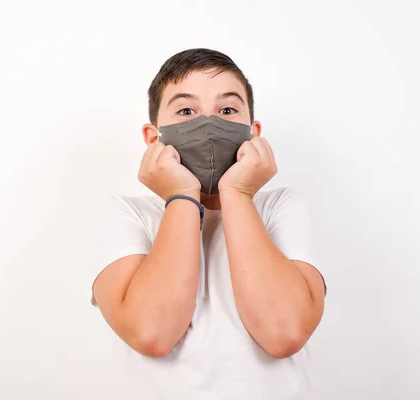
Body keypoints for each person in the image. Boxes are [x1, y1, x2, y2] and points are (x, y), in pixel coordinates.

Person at [91, 48, 327, 399]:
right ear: (153, 138)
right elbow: (152, 334)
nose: (208, 124)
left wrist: (239, 192)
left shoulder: (281, 207)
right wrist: (182, 195)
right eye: (186, 110)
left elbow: (284, 334)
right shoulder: (125, 213)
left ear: (253, 132)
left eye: (227, 110)